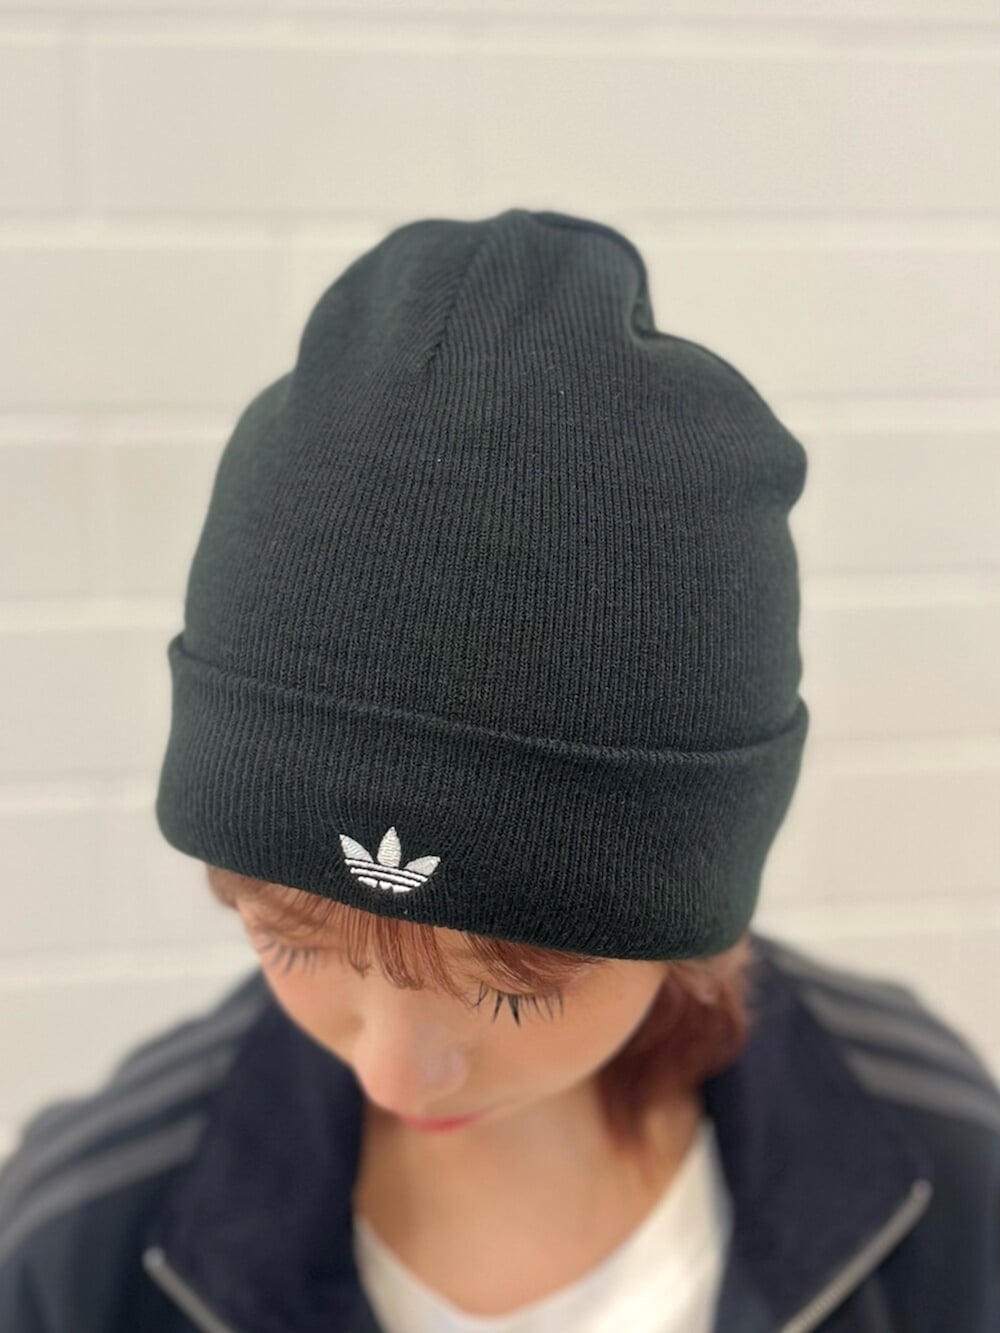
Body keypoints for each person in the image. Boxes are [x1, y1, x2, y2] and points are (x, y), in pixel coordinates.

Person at [1, 208, 997, 1333]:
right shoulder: (83, 1251)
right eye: (292, 934)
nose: (394, 1073)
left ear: (695, 912)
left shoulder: (941, 1176)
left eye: (510, 984)